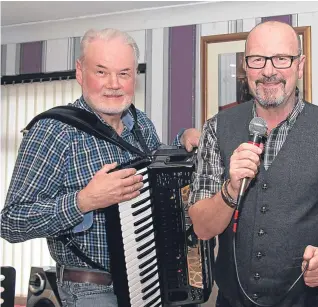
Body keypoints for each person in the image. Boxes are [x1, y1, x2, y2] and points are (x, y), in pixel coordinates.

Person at [0, 28, 199, 307]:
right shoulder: (53, 131)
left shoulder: (141, 124)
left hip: (150, 280)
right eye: (102, 72)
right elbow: (10, 222)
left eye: (124, 73)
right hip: (92, 290)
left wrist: (182, 143)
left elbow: (155, 173)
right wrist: (85, 201)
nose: (114, 84)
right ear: (80, 73)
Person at [187, 20, 318, 307]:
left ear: (300, 65)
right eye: (258, 60)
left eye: (282, 59)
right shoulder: (216, 129)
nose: (269, 71)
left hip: (306, 301)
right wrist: (230, 191)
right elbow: (202, 228)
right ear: (245, 66)